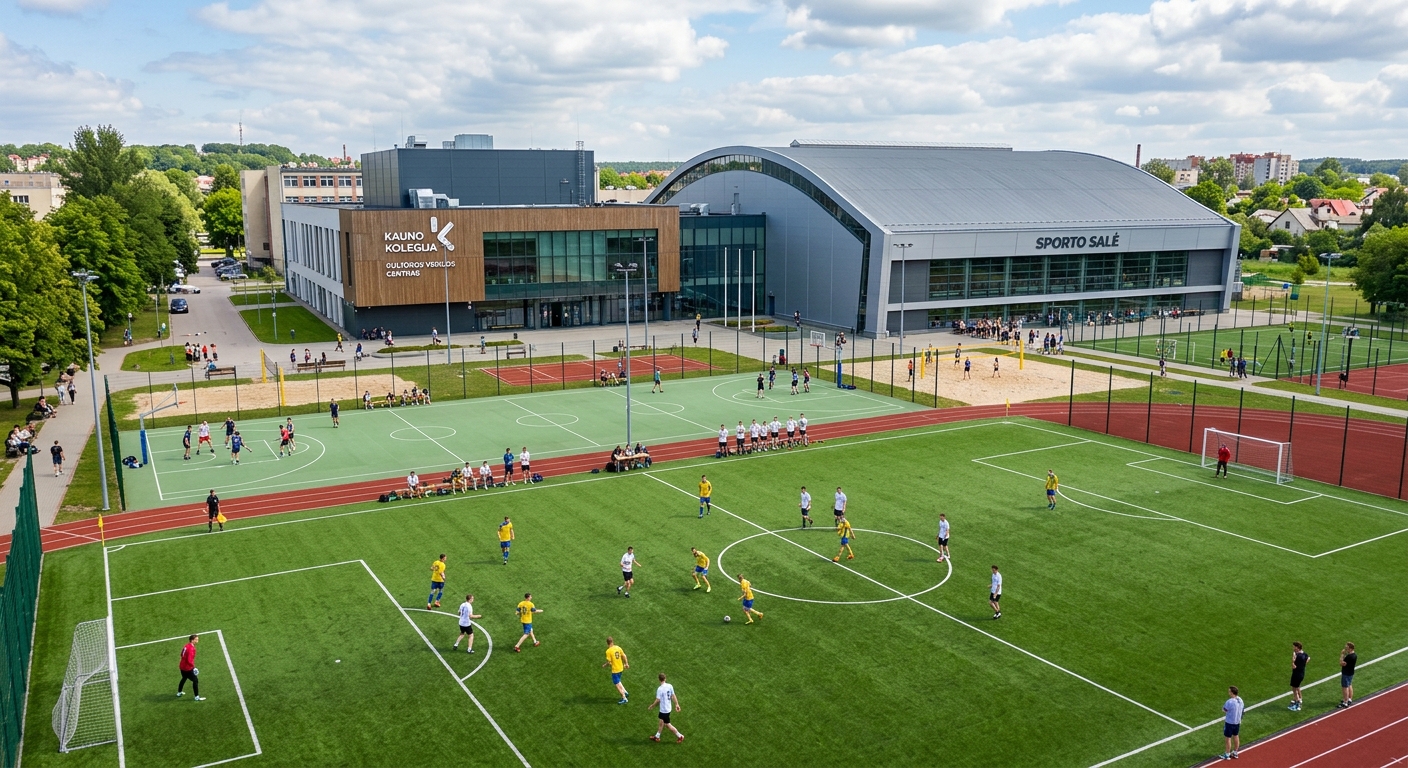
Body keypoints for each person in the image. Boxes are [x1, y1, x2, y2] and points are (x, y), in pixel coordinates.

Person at [648, 673, 684, 743]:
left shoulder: (660, 689)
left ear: (659, 680)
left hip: (664, 710)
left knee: (667, 725)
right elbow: (673, 695)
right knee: (661, 721)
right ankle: (657, 737)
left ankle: (680, 736)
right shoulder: (670, 686)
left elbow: (658, 700)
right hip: (668, 708)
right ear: (665, 679)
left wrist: (652, 706)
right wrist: (677, 704)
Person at [176, 634, 204, 701]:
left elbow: (181, 654)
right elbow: (189, 660)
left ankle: (179, 692)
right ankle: (196, 696)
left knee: (184, 678)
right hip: (187, 668)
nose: (197, 640)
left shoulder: (186, 646)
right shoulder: (191, 648)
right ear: (192, 640)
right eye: (196, 639)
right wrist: (193, 667)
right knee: (195, 680)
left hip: (182, 666)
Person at [603, 637, 630, 703]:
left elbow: (609, 662)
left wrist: (604, 665)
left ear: (607, 643)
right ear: (612, 641)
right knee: (618, 681)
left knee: (617, 684)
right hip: (621, 668)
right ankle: (625, 692)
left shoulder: (608, 651)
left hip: (615, 670)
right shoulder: (618, 647)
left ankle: (624, 698)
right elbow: (624, 655)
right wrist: (626, 663)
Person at [1221, 686, 1244, 760]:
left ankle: (1227, 754)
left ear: (1232, 693)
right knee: (1236, 736)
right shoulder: (1240, 700)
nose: (1228, 693)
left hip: (1230, 722)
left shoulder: (1230, 701)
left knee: (1228, 738)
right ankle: (1235, 752)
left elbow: (1224, 710)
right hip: (1237, 722)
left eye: (1229, 691)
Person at [1288, 641, 1308, 711]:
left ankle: (1297, 704)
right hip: (1301, 674)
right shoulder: (1304, 654)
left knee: (1294, 689)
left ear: (1297, 647)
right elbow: (1308, 658)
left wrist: (1293, 659)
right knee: (1298, 687)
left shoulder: (1297, 656)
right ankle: (1300, 699)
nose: (1293, 648)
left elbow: (1294, 666)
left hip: (1296, 674)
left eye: (1294, 647)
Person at [1338, 642, 1357, 708]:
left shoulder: (1349, 657)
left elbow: (1341, 663)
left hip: (1346, 673)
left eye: (1347, 648)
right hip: (1351, 673)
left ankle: (1345, 701)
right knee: (1349, 685)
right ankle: (1349, 699)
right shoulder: (1354, 655)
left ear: (1350, 648)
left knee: (1345, 687)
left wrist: (1342, 655)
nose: (1346, 649)